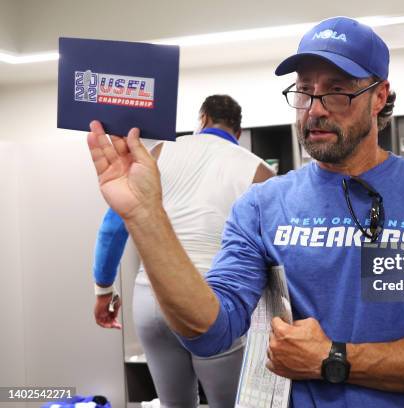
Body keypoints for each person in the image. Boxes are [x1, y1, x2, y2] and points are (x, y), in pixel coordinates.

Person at [87, 17, 404, 407]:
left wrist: (335, 359)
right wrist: (145, 215)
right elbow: (211, 331)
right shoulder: (262, 204)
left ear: (379, 97)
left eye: (337, 91)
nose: (314, 109)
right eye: (304, 91)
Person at [92, 94, 275, 408]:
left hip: (151, 296)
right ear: (238, 132)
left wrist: (103, 290)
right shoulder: (258, 170)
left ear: (202, 119)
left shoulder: (159, 152)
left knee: (173, 404)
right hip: (214, 301)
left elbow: (113, 226)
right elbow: (271, 257)